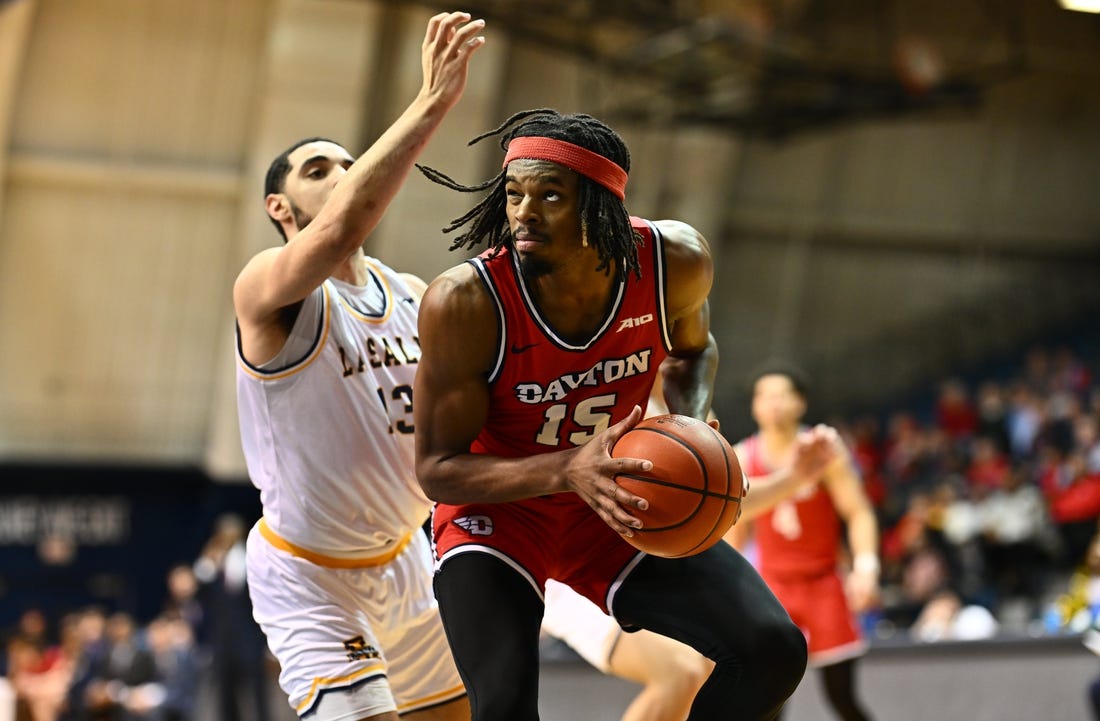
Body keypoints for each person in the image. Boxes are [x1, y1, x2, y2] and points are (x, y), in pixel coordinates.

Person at [413, 108, 838, 721]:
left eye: (549, 196)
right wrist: (566, 469)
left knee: (772, 651)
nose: (523, 213)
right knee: (503, 708)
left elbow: (694, 351)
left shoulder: (673, 261)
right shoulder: (465, 301)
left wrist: (691, 420)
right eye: (513, 194)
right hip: (498, 515)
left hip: (618, 500)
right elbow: (436, 469)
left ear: (599, 208)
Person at [232, 11, 484, 721]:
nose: (342, 177)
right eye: (321, 170)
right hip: (310, 574)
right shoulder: (265, 290)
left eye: (347, 164)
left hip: (408, 556)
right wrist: (433, 100)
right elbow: (343, 224)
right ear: (280, 207)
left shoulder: (412, 295)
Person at [725, 363, 880, 721]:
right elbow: (736, 534)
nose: (772, 403)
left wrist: (866, 568)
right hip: (773, 587)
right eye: (763, 396)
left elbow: (858, 512)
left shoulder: (823, 450)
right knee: (771, 702)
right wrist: (732, 597)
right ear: (754, 407)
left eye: (781, 395)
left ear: (801, 403)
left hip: (824, 581)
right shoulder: (742, 457)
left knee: (843, 699)